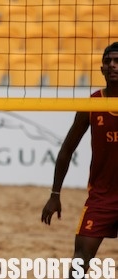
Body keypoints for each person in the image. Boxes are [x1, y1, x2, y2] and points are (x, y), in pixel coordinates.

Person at [41, 42, 118, 278]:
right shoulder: (92, 104)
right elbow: (66, 150)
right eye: (109, 61)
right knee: (79, 261)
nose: (113, 65)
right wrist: (55, 195)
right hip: (102, 196)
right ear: (101, 68)